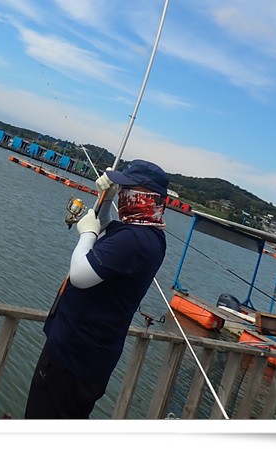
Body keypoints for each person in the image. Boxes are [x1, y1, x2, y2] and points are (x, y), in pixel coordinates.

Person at [24, 159, 169, 419]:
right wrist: (106, 197)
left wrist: (86, 234)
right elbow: (105, 226)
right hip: (92, 357)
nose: (123, 195)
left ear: (146, 196)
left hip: (73, 356)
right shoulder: (150, 236)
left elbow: (80, 275)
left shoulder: (133, 239)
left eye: (127, 189)